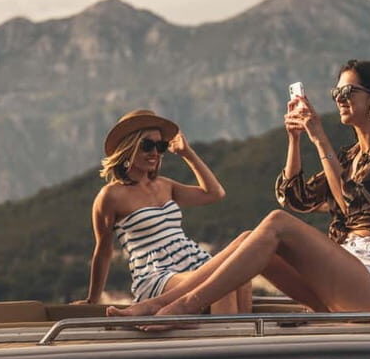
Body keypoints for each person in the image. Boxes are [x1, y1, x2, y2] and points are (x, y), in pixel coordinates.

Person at [108, 59, 370, 318]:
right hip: (348, 276)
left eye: (348, 93)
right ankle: (159, 303)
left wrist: (319, 137)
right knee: (251, 239)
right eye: (336, 94)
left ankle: (183, 306)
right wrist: (295, 139)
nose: (339, 100)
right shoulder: (349, 157)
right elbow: (295, 198)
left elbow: (353, 204)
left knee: (276, 224)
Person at [76, 109, 251, 313]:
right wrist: (93, 300)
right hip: (157, 275)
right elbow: (103, 250)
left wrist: (188, 154)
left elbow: (215, 193)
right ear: (128, 148)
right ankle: (227, 342)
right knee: (222, 283)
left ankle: (245, 339)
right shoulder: (110, 196)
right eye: (147, 145)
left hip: (195, 261)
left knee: (242, 274)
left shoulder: (165, 185)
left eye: (161, 146)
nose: (155, 153)